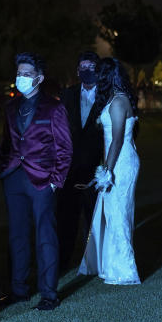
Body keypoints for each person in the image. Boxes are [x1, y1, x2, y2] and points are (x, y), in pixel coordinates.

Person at [0, 52, 72, 311]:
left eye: (26, 74)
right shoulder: (10, 107)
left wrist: (56, 181)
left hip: (42, 180)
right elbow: (6, 144)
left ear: (39, 78)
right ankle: (19, 289)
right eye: (18, 73)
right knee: (17, 235)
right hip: (14, 179)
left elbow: (65, 148)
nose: (21, 78)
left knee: (45, 236)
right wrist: (4, 169)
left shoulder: (54, 107)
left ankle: (49, 293)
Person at [78, 58, 141, 285]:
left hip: (121, 163)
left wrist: (107, 171)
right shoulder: (116, 99)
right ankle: (109, 265)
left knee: (118, 213)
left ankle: (124, 270)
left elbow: (116, 140)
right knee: (111, 213)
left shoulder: (117, 102)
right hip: (117, 159)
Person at [57, 51, 104, 268]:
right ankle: (64, 260)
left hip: (97, 168)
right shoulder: (68, 94)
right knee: (67, 218)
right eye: (82, 67)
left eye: (90, 67)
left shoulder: (107, 95)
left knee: (94, 216)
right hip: (70, 168)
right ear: (77, 71)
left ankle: (96, 260)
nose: (86, 71)